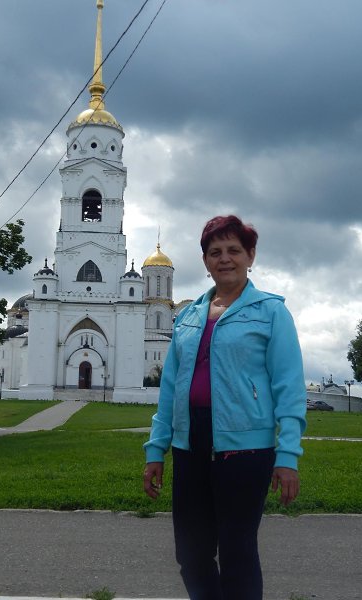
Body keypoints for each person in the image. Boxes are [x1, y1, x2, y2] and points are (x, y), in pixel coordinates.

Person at [143, 215, 306, 600]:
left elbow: (288, 386)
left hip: (246, 449)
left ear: (250, 256)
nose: (225, 258)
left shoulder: (271, 312)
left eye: (234, 250)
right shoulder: (188, 316)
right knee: (191, 553)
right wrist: (156, 449)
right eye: (215, 252)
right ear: (205, 261)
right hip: (189, 445)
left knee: (237, 552)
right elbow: (170, 389)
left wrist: (288, 455)